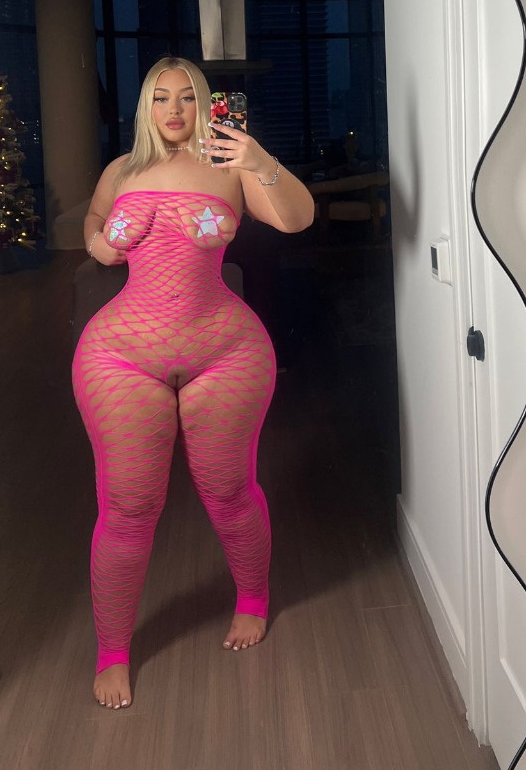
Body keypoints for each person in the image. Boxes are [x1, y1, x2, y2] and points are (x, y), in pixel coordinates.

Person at [72, 56, 314, 710]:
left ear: (205, 105)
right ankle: (113, 651)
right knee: (127, 506)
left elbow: (296, 218)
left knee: (230, 489)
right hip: (122, 355)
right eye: (161, 98)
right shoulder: (121, 172)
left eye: (186, 97)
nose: (174, 110)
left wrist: (258, 158)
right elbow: (92, 222)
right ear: (145, 108)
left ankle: (254, 598)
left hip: (224, 352)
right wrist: (98, 245)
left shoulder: (229, 167)